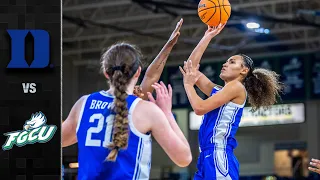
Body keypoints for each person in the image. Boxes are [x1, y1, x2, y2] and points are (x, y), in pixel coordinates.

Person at [62, 21, 192, 179]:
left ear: (106, 72)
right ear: (137, 72)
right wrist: (166, 113)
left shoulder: (83, 104)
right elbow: (184, 158)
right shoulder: (145, 111)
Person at [179, 24, 284, 180]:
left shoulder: (236, 87)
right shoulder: (221, 91)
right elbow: (191, 68)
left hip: (218, 154)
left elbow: (199, 108)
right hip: (207, 156)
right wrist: (207, 36)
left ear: (244, 70)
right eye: (227, 61)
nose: (225, 64)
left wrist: (188, 85)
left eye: (232, 62)